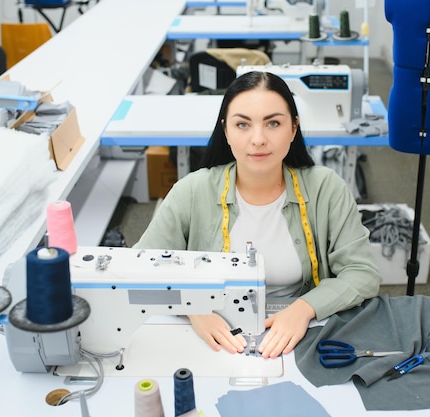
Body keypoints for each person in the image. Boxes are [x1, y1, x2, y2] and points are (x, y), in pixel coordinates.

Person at [132, 71, 381, 359]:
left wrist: (304, 308)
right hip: (212, 335)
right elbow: (140, 271)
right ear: (225, 130)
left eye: (273, 123)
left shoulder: (327, 188)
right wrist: (191, 308)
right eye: (242, 124)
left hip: (303, 333)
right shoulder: (191, 191)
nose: (258, 139)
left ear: (293, 128)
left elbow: (362, 273)